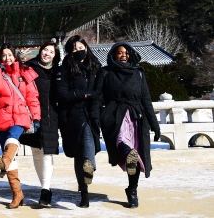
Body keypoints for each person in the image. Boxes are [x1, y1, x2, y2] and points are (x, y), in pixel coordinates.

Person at [97, 42, 161, 208]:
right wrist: (99, 117)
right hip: (115, 115)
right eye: (119, 52)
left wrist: (155, 125)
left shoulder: (138, 73)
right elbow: (98, 97)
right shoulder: (105, 72)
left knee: (136, 158)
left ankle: (132, 190)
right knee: (123, 142)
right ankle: (129, 154)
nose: (123, 55)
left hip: (136, 117)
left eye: (126, 52)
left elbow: (146, 99)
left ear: (131, 54)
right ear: (113, 55)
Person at [0, 42, 41, 209]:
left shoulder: (25, 73)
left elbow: (32, 97)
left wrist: (36, 117)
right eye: (3, 55)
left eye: (9, 55)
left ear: (15, 56)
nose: (7, 58)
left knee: (11, 142)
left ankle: (4, 160)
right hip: (2, 117)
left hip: (20, 116)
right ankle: (17, 193)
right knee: (12, 158)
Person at [56, 35, 102, 208]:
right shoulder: (64, 70)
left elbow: (99, 93)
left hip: (91, 113)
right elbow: (62, 94)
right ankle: (85, 188)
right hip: (71, 115)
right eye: (73, 49)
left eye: (80, 47)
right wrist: (81, 94)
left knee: (86, 142)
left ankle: (88, 173)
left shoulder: (95, 68)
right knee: (79, 152)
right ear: (69, 52)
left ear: (86, 47)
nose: (78, 51)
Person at [19, 40, 60, 206]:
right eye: (45, 50)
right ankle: (46, 188)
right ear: (40, 51)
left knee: (47, 151)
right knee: (36, 151)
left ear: (55, 55)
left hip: (51, 115)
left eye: (51, 51)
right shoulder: (30, 67)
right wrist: (19, 59)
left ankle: (45, 189)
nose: (47, 53)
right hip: (33, 114)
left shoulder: (58, 70)